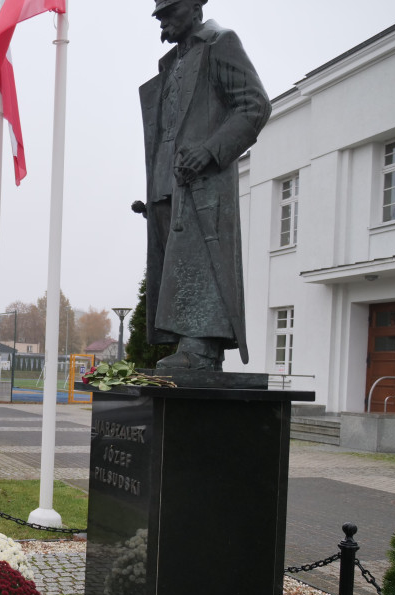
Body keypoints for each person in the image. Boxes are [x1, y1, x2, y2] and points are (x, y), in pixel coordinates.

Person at [137, 0, 271, 371]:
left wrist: (211, 151)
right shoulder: (169, 65)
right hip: (166, 182)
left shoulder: (220, 43)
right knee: (176, 265)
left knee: (201, 261)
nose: (163, 24)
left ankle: (202, 349)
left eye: (168, 13)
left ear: (194, 6)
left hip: (203, 179)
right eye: (159, 16)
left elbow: (254, 106)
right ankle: (186, 343)